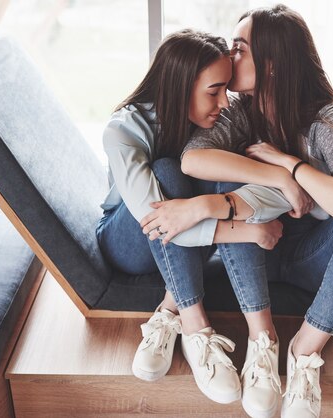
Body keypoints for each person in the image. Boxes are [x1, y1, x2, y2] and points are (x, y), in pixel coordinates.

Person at [147, 5, 333, 418]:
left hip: (311, 257)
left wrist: (291, 165)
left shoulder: (324, 121)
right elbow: (193, 160)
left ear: (272, 65)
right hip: (251, 247)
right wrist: (276, 178)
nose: (231, 57)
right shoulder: (240, 112)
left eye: (241, 48)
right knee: (228, 172)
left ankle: (304, 352)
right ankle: (261, 343)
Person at [96, 29, 297, 409]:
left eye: (227, 90)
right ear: (179, 86)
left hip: (192, 233)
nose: (224, 101)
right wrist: (249, 232)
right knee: (168, 172)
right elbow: (160, 223)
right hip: (129, 238)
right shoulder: (123, 130)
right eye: (214, 91)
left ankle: (169, 311)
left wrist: (280, 178)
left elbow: (270, 197)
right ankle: (195, 326)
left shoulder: (216, 124)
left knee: (228, 172)